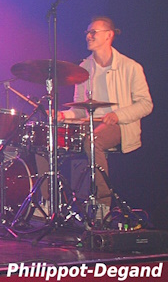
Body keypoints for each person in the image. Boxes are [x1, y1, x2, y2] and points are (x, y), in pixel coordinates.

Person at [58, 16, 153, 215]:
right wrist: (63, 115)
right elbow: (80, 109)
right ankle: (48, 202)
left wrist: (118, 115)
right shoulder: (83, 68)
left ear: (109, 35)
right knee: (48, 138)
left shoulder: (130, 67)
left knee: (93, 141)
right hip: (89, 122)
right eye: (87, 32)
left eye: (93, 32)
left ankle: (103, 205)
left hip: (119, 125)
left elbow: (146, 104)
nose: (88, 36)